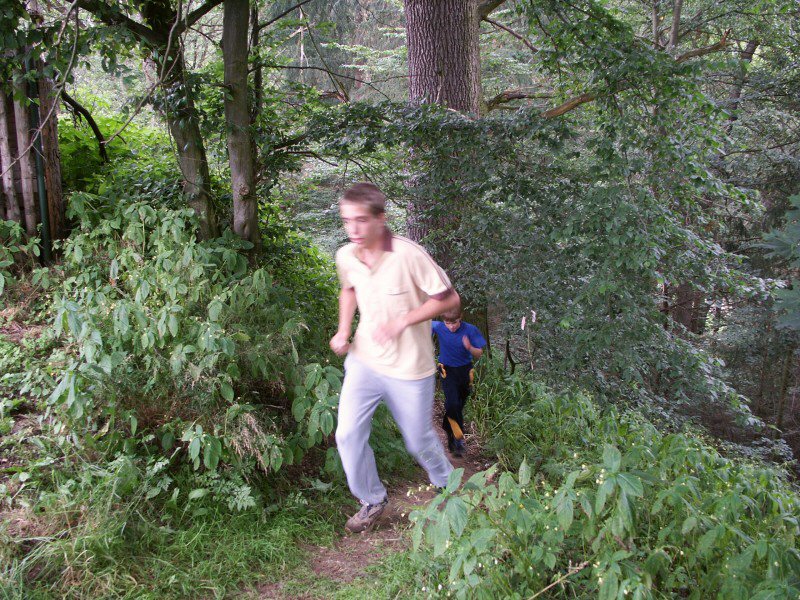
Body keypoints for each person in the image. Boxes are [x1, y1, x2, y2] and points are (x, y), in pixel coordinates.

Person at [330, 182, 461, 533]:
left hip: (410, 368)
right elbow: (349, 289)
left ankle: (448, 487)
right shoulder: (346, 255)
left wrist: (403, 320)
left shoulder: (408, 255)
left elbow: (450, 300)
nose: (353, 229)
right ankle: (372, 499)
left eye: (361, 220)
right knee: (347, 435)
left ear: (381, 218)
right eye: (347, 221)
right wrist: (343, 330)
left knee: (418, 439)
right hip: (364, 360)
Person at [432, 309, 486, 458]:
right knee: (452, 404)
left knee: (458, 406)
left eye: (454, 323)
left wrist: (469, 347)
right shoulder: (438, 326)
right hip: (447, 371)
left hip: (465, 372)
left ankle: (448, 427)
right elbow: (420, 325)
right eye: (447, 323)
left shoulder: (470, 330)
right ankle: (458, 439)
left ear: (460, 317)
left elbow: (479, 353)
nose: (451, 327)